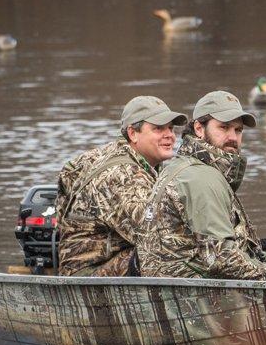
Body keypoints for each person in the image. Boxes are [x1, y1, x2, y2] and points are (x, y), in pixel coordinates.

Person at [137, 90, 266, 281]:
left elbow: (232, 249)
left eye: (238, 130)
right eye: (224, 127)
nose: (232, 137)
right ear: (198, 128)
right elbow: (222, 259)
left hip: (189, 286)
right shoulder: (199, 177)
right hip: (192, 295)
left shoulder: (189, 166)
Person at [56, 95, 185, 276]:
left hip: (109, 260)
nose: (170, 135)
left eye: (171, 128)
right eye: (158, 128)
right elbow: (156, 237)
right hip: (86, 277)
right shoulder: (122, 175)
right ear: (133, 133)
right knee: (162, 253)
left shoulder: (120, 155)